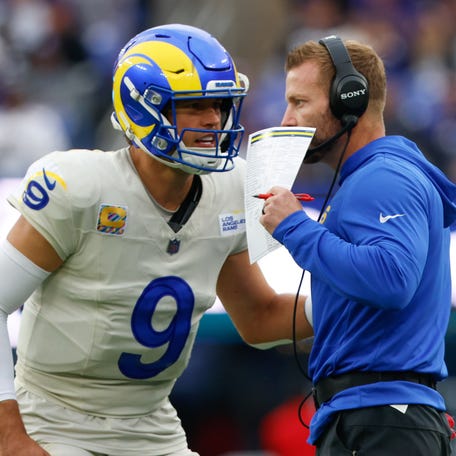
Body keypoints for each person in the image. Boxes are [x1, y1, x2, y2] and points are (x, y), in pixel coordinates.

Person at [0, 24, 312, 456]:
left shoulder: (231, 188)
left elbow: (259, 317)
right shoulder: (81, 187)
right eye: (195, 106)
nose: (214, 120)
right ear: (144, 109)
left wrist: (351, 302)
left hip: (151, 424)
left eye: (220, 105)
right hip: (55, 419)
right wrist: (10, 437)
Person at [259, 35, 456, 454]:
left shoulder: (382, 177)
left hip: (383, 419)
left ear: (350, 101)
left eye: (299, 102)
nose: (286, 119)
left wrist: (295, 227)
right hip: (375, 417)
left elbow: (391, 279)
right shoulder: (373, 177)